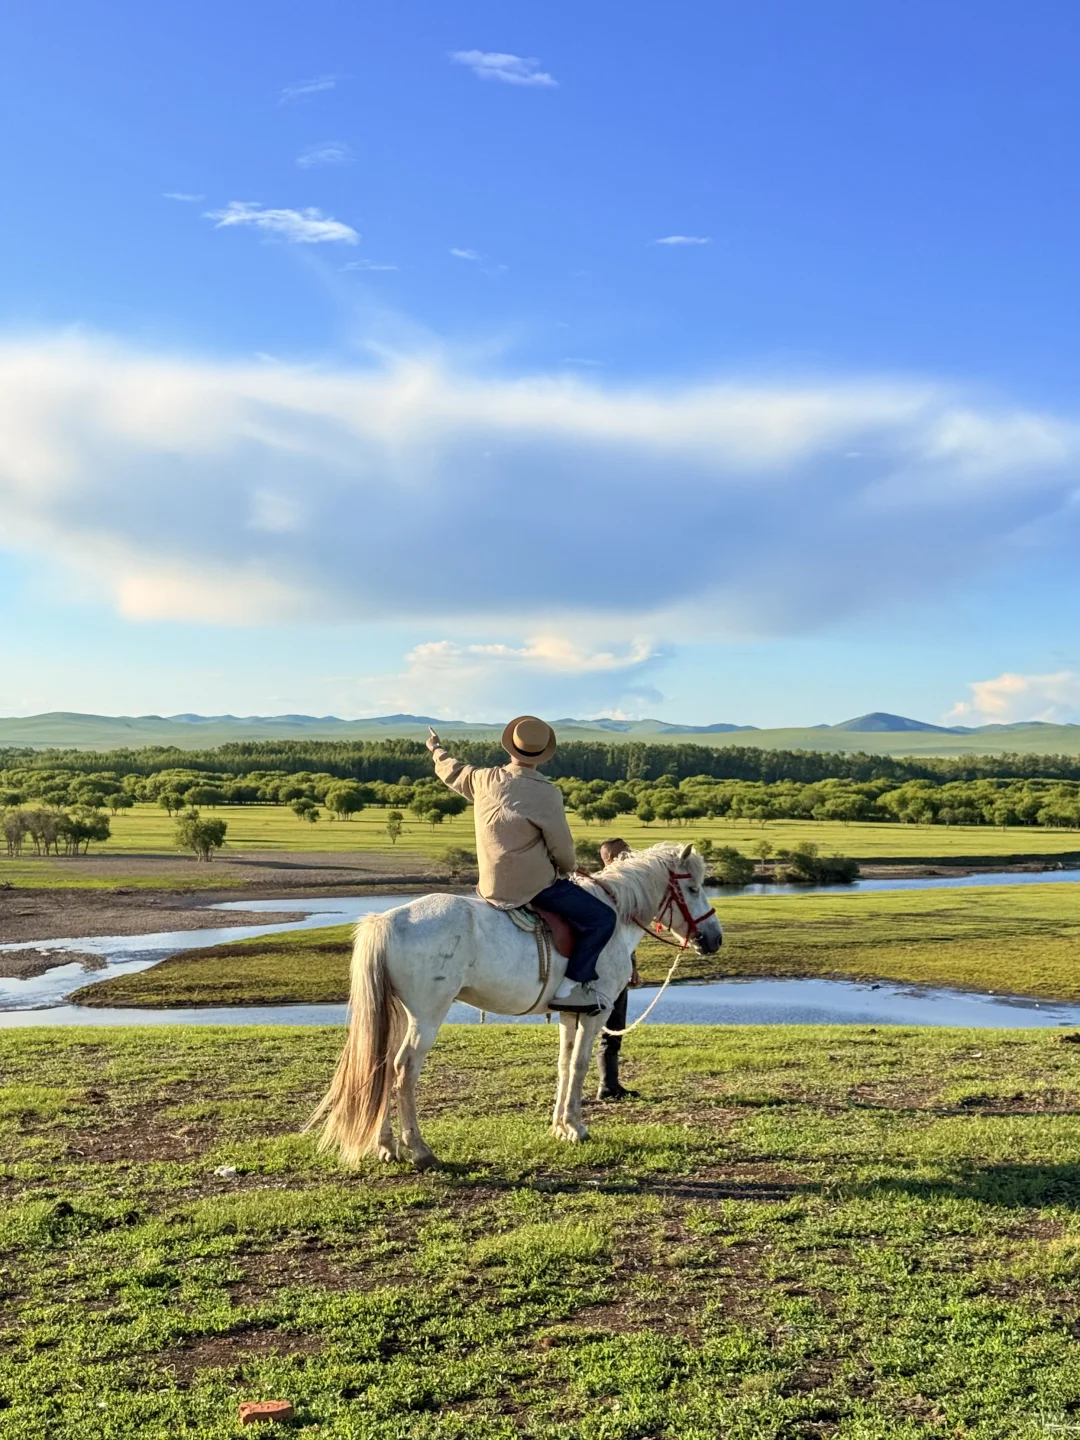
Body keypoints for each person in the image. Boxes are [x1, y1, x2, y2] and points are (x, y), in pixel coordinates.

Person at [427, 716, 615, 1014]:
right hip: (534, 888)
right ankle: (570, 988)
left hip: (489, 886)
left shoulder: (483, 778)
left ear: (510, 747)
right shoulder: (547, 793)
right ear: (543, 755)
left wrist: (436, 749)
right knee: (602, 918)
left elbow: (453, 770)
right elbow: (561, 847)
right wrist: (567, 868)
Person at [595, 837, 641, 1100]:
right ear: (609, 859)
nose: (630, 858)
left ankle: (609, 1085)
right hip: (599, 971)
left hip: (620, 969)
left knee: (614, 1029)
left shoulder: (626, 890)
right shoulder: (596, 889)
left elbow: (626, 935)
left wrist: (632, 966)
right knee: (593, 1029)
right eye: (625, 854)